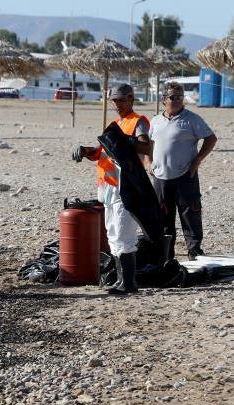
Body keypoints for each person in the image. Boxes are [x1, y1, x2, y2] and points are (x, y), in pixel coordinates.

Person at [78, 83, 152, 294]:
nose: (117, 104)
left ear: (131, 98)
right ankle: (121, 280)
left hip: (126, 186)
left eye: (121, 100)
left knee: (123, 233)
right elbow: (103, 152)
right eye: (114, 100)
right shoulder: (115, 123)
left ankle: (129, 283)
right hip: (109, 187)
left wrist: (126, 141)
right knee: (112, 233)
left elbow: (146, 147)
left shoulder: (138, 122)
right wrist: (87, 151)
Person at [148, 82, 217, 261]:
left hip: (185, 174)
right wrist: (148, 162)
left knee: (190, 213)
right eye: (173, 97)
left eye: (180, 96)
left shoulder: (192, 119)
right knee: (163, 215)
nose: (178, 100)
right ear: (164, 100)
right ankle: (166, 253)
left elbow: (210, 139)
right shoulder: (155, 121)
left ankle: (194, 250)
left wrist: (197, 161)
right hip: (161, 176)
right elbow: (148, 145)